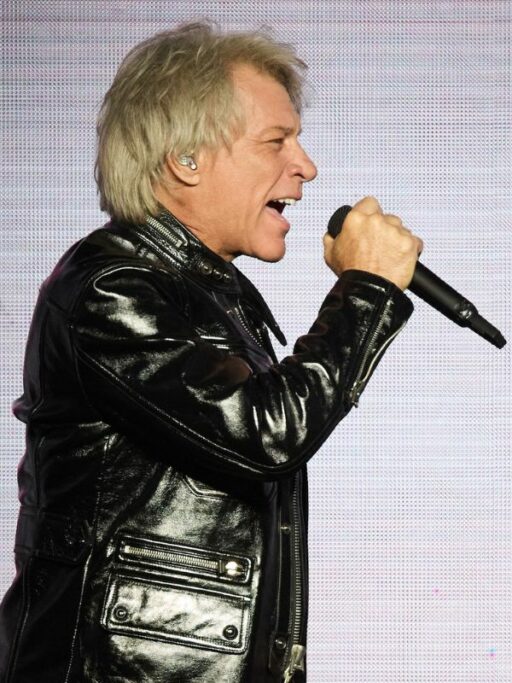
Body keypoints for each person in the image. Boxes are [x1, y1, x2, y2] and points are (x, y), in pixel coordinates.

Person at [0, 22, 421, 682]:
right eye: (276, 141)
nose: (306, 167)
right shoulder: (110, 289)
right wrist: (366, 292)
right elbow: (264, 432)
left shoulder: (211, 299)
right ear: (186, 159)